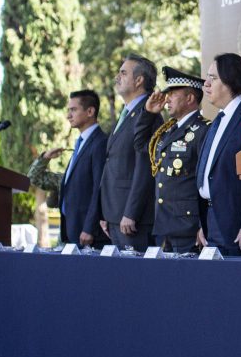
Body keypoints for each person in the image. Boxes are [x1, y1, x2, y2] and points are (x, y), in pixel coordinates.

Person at [28, 89, 109, 247]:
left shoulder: (99, 143)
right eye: (68, 110)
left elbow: (99, 189)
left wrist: (89, 228)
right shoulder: (81, 144)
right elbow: (35, 178)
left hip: (87, 235)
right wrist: (45, 158)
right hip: (71, 231)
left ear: (90, 111)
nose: (68, 115)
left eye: (73, 110)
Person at [197, 54, 241, 256]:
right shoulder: (218, 119)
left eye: (213, 78)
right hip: (211, 221)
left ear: (230, 80)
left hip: (236, 227)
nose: (206, 84)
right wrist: (202, 223)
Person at [99, 54, 160, 251]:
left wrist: (131, 212)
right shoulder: (127, 113)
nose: (118, 77)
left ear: (139, 80)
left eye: (123, 72)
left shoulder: (149, 113)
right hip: (115, 215)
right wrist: (105, 213)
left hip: (133, 220)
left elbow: (145, 167)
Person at [146, 67, 209, 253]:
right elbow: (141, 147)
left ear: (190, 98)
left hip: (189, 226)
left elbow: (204, 179)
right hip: (166, 223)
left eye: (173, 94)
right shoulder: (168, 131)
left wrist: (203, 224)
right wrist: (148, 114)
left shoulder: (203, 129)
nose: (167, 99)